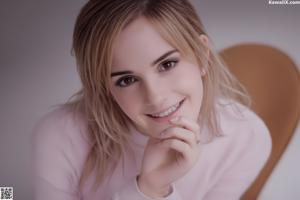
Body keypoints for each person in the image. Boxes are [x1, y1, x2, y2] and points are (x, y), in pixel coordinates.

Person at [32, 0, 272, 199]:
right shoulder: (60, 135)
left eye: (167, 64)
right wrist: (149, 188)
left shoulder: (245, 136)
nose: (156, 98)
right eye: (126, 80)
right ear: (104, 88)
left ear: (202, 55)